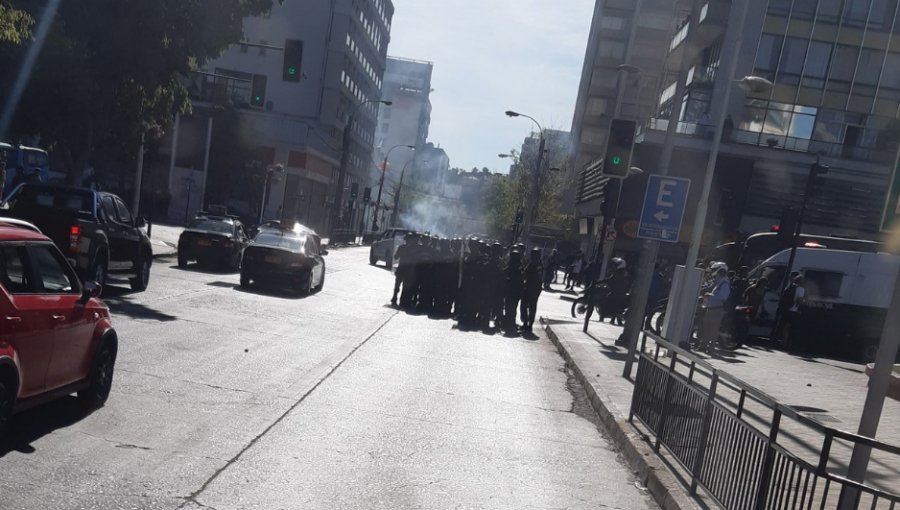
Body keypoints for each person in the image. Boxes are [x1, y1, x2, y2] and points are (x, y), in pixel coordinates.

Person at [584, 257, 629, 331]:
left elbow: (611, 280)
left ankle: (605, 314)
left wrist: (601, 282)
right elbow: (610, 279)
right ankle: (605, 315)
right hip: (616, 290)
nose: (614, 266)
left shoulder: (620, 273)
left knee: (606, 298)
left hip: (617, 292)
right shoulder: (619, 272)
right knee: (606, 296)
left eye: (616, 264)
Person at [699, 266, 731, 353]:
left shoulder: (725, 284)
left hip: (717, 310)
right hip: (710, 308)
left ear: (721, 275)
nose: (715, 277)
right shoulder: (719, 284)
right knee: (706, 328)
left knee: (713, 330)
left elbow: (723, 297)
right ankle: (703, 346)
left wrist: (710, 296)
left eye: (717, 275)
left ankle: (711, 348)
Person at [775, 274, 805, 349]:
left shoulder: (790, 286)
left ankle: (782, 342)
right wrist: (803, 303)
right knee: (791, 328)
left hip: (786, 309)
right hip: (793, 310)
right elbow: (799, 300)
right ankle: (788, 344)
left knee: (783, 327)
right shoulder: (801, 289)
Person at [520, 248, 544, 333]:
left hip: (532, 288)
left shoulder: (536, 264)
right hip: (532, 288)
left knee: (528, 307)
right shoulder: (536, 263)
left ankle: (528, 324)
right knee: (528, 306)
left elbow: (535, 276)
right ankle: (527, 324)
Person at [502, 250, 524, 333]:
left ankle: (509, 325)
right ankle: (511, 324)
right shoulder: (519, 265)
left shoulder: (513, 265)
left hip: (512, 290)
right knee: (513, 308)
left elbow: (505, 272)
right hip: (517, 291)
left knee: (509, 308)